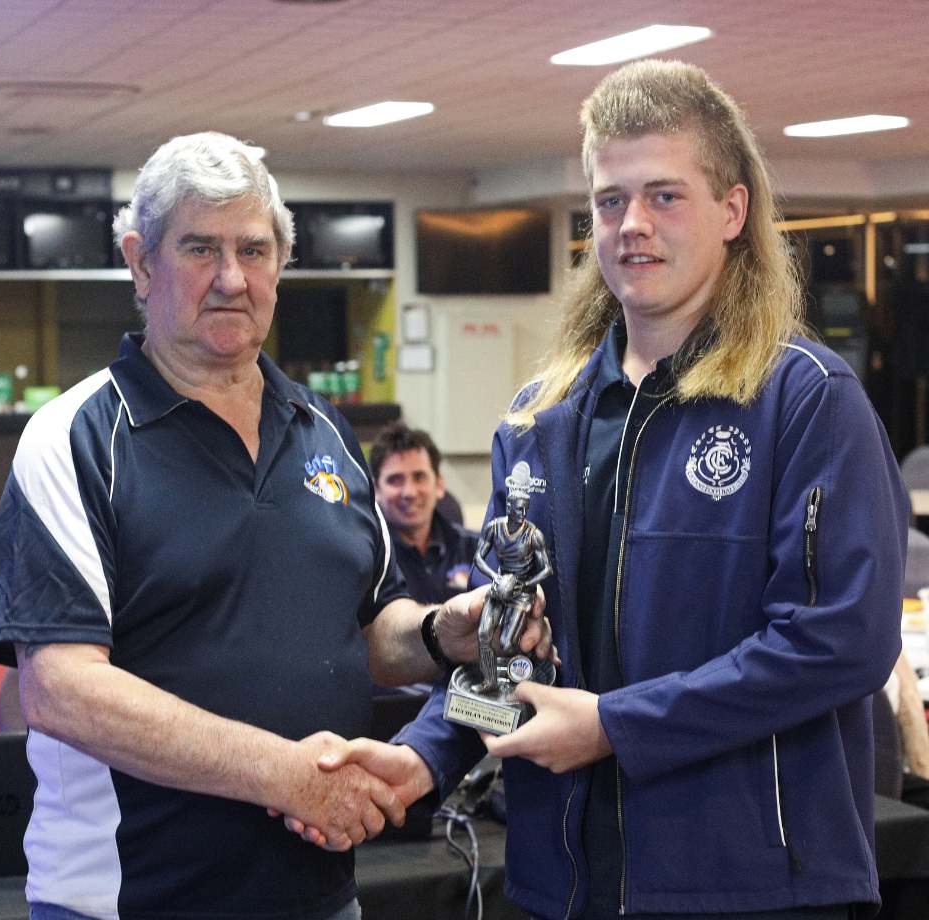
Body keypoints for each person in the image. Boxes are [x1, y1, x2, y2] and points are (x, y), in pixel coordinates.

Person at [317, 60, 909, 919]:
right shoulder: (539, 421)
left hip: (757, 886)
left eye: (665, 195)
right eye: (609, 200)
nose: (632, 225)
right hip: (566, 883)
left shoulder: (805, 399)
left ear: (733, 211)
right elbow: (510, 641)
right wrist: (424, 756)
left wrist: (615, 725)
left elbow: (842, 642)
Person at [0, 132, 552, 920]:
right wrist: (283, 774)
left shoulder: (324, 431)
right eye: (200, 248)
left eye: (253, 249)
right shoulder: (75, 438)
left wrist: (441, 631)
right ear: (141, 262)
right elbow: (62, 690)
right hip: (125, 902)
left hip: (318, 895)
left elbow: (366, 627)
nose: (230, 279)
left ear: (281, 262)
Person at [369, 421, 479, 604]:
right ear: (376, 490)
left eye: (419, 477)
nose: (409, 492)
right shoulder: (368, 560)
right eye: (395, 480)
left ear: (439, 484)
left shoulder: (479, 550)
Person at [471, 462, 552, 693]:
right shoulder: (494, 528)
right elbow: (478, 557)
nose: (523, 513)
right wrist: (495, 578)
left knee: (508, 643)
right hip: (500, 585)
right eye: (518, 509)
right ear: (508, 506)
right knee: (483, 634)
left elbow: (547, 569)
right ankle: (489, 681)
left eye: (525, 508)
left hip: (522, 592)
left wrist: (524, 584)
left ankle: (521, 681)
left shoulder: (533, 534)